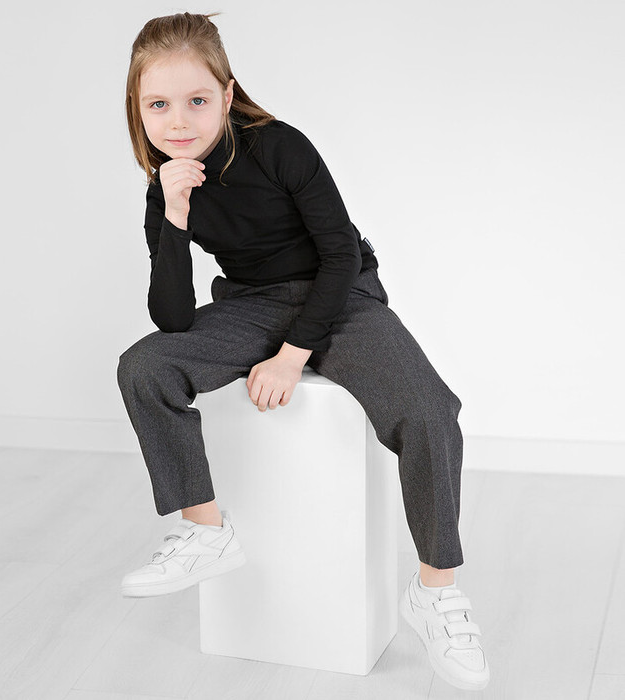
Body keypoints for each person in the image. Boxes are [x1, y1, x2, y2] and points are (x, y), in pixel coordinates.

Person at [116, 11, 489, 691]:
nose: (179, 121)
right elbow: (171, 319)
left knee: (429, 410)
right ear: (137, 109)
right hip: (250, 303)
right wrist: (173, 216)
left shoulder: (279, 146)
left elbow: (340, 253)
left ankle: (436, 591)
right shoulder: (165, 186)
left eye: (197, 100)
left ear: (227, 94)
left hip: (340, 295)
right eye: (158, 105)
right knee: (144, 366)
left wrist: (292, 356)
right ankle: (207, 531)